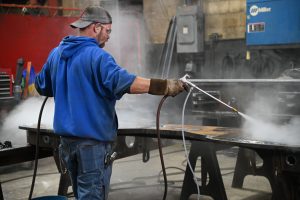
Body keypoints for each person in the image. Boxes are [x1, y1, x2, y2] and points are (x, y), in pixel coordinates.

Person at [35, 5, 186, 200]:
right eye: (107, 31)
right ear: (95, 27)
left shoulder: (56, 54)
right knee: (92, 195)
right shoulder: (98, 56)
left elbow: (41, 86)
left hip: (67, 145)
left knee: (81, 193)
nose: (108, 36)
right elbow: (126, 82)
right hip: (92, 146)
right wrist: (166, 86)